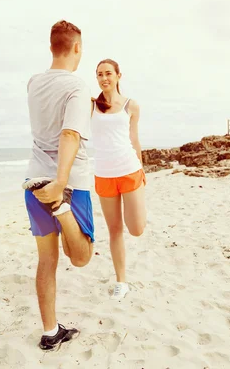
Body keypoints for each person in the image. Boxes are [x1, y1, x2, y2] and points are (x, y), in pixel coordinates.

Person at [22, 20, 95, 351]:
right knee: (81, 257)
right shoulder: (77, 88)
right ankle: (64, 210)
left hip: (33, 183)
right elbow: (70, 134)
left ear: (52, 47)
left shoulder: (33, 83)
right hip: (68, 182)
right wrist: (62, 184)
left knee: (46, 260)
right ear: (77, 48)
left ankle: (50, 332)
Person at [91, 58, 147, 300]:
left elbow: (134, 139)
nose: (104, 78)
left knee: (135, 229)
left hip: (129, 170)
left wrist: (142, 167)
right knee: (115, 230)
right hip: (104, 174)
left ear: (118, 76)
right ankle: (121, 282)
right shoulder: (91, 106)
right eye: (100, 74)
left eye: (108, 73)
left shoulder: (131, 105)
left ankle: (140, 209)